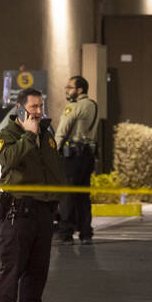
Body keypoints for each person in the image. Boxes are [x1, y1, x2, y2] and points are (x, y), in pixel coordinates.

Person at [0, 87, 65, 302]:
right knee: (12, 271)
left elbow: (53, 168)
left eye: (41, 106)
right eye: (34, 107)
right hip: (18, 212)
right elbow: (8, 160)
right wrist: (28, 135)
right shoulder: (8, 135)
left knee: (37, 272)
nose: (38, 111)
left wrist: (59, 199)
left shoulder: (47, 134)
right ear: (20, 109)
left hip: (42, 212)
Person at [55, 75, 98, 245]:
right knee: (83, 195)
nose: (67, 90)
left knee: (67, 195)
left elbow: (62, 131)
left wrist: (52, 152)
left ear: (79, 90)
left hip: (72, 157)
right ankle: (86, 232)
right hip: (88, 156)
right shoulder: (93, 105)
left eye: (70, 87)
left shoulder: (73, 107)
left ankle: (65, 233)